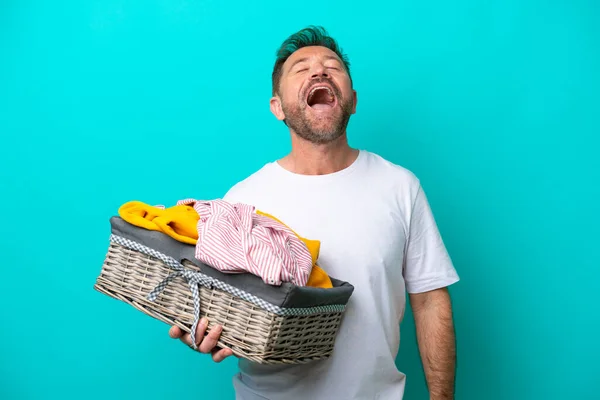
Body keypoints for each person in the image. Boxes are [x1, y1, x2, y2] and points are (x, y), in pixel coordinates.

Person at [168, 25, 460, 400]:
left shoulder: (400, 186)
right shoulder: (243, 199)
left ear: (352, 100)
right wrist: (201, 327)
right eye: (301, 68)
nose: (319, 71)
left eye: (332, 66)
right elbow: (219, 306)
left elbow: (430, 299)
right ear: (277, 107)